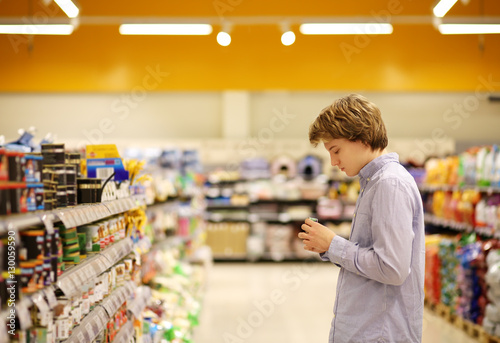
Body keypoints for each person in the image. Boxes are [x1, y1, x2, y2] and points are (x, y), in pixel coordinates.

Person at [299, 94, 425, 343]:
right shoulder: (374, 183)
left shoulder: (389, 184)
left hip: (379, 333)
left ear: (362, 138)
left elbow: (392, 268)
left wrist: (333, 244)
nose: (334, 162)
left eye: (336, 150)